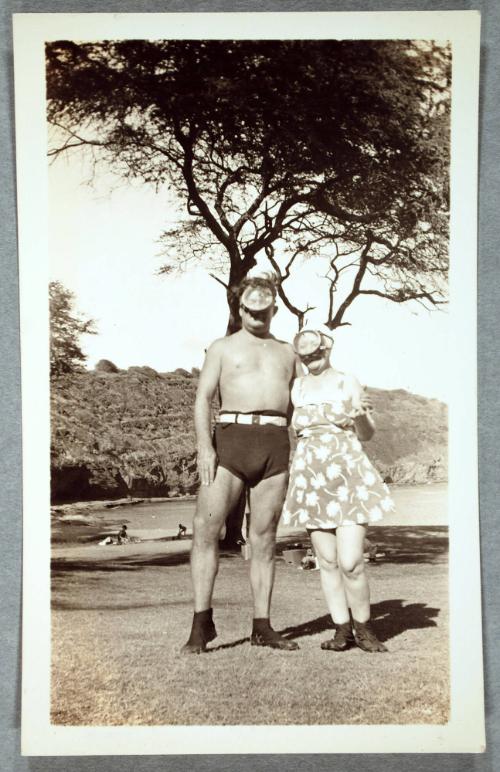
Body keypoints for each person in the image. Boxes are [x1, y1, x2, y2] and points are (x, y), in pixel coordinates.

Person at [181, 276, 300, 654]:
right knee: (206, 528)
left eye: (265, 310)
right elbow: (203, 399)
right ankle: (201, 626)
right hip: (231, 441)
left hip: (274, 445)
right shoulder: (221, 348)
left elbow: (302, 405)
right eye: (250, 309)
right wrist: (205, 447)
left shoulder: (288, 352)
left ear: (274, 310)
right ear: (239, 309)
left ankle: (262, 627)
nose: (258, 316)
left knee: (264, 538)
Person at [282, 326, 395, 652]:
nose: (311, 360)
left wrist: (359, 417)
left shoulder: (347, 380)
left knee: (351, 562)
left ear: (327, 349)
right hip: (311, 479)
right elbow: (295, 435)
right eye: (305, 356)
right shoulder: (297, 388)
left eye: (316, 353)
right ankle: (341, 631)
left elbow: (367, 433)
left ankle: (365, 629)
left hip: (347, 476)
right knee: (327, 562)